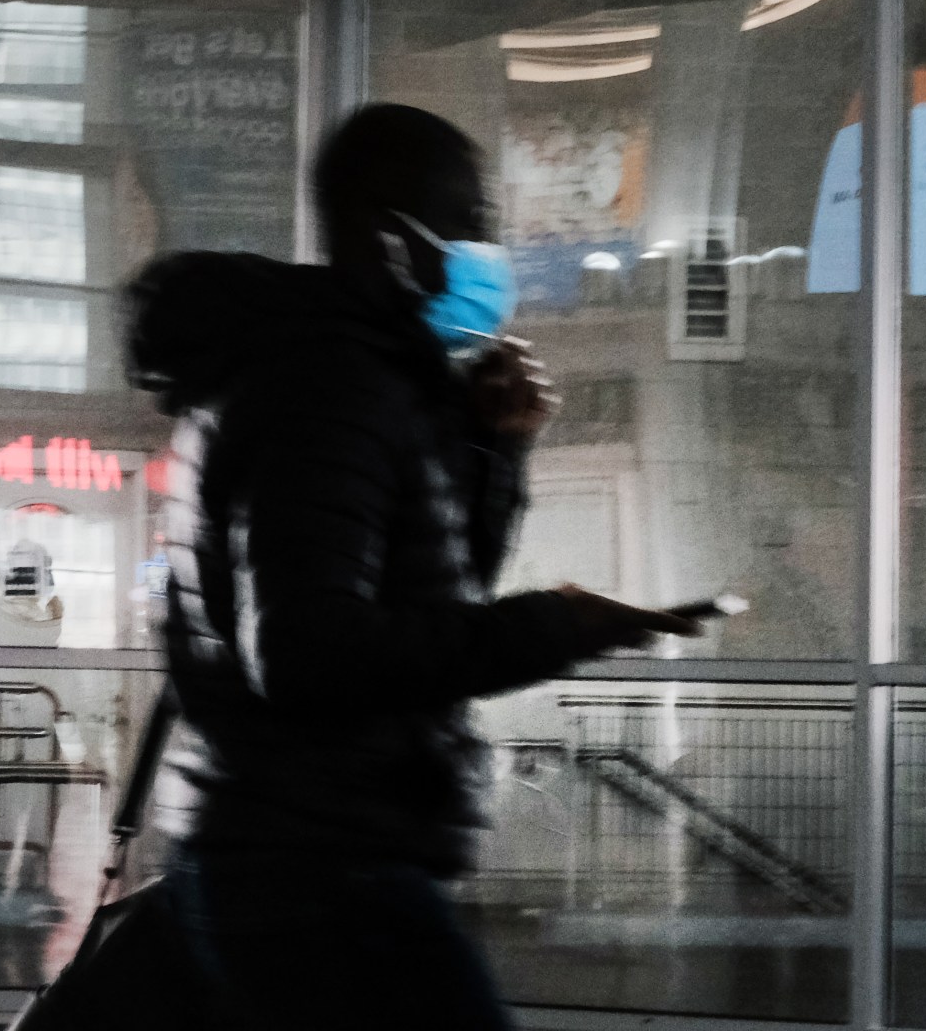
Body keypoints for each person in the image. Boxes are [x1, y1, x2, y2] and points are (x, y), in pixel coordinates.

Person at [123, 103, 698, 1030]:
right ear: (397, 240)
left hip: (306, 857)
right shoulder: (327, 388)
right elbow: (314, 653)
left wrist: (493, 450)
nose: (489, 251)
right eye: (471, 223)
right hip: (318, 871)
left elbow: (433, 587)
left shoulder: (364, 380)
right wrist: (556, 626)